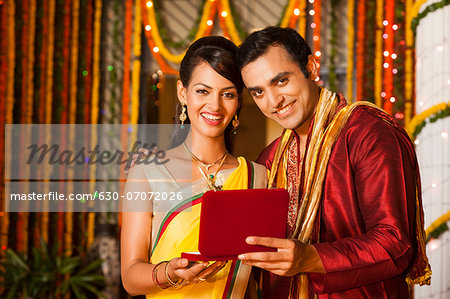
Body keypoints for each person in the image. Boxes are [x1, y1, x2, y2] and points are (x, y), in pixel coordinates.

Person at [235, 26, 431, 298]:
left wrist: (309, 258)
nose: (273, 101)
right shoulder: (269, 159)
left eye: (281, 81)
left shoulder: (367, 133)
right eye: (258, 92)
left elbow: (395, 244)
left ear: (312, 68)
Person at [120, 36, 267, 298]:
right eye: (203, 91)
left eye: (228, 94)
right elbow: (130, 277)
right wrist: (171, 273)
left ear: (238, 101)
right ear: (182, 92)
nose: (215, 105)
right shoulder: (147, 172)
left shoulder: (258, 176)